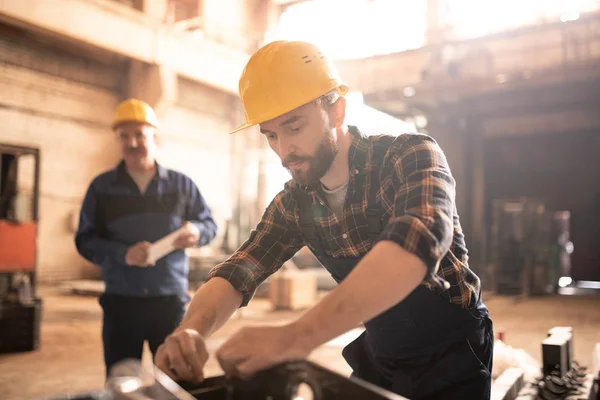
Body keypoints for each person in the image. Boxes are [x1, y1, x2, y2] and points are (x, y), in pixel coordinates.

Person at [155, 41, 493, 400]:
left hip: (453, 355)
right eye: (271, 135)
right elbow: (240, 269)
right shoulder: (295, 203)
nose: (284, 150)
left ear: (336, 112)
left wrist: (297, 336)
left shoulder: (409, 155)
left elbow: (416, 244)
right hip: (383, 355)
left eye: (294, 127)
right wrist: (192, 330)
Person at [75, 98, 217, 377]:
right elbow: (85, 240)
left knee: (175, 378)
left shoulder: (181, 185)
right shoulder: (101, 188)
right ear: (117, 140)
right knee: (122, 380)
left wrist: (198, 232)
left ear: (154, 136)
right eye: (124, 136)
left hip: (170, 303)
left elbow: (209, 224)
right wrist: (122, 253)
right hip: (121, 303)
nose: (132, 142)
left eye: (139, 134)